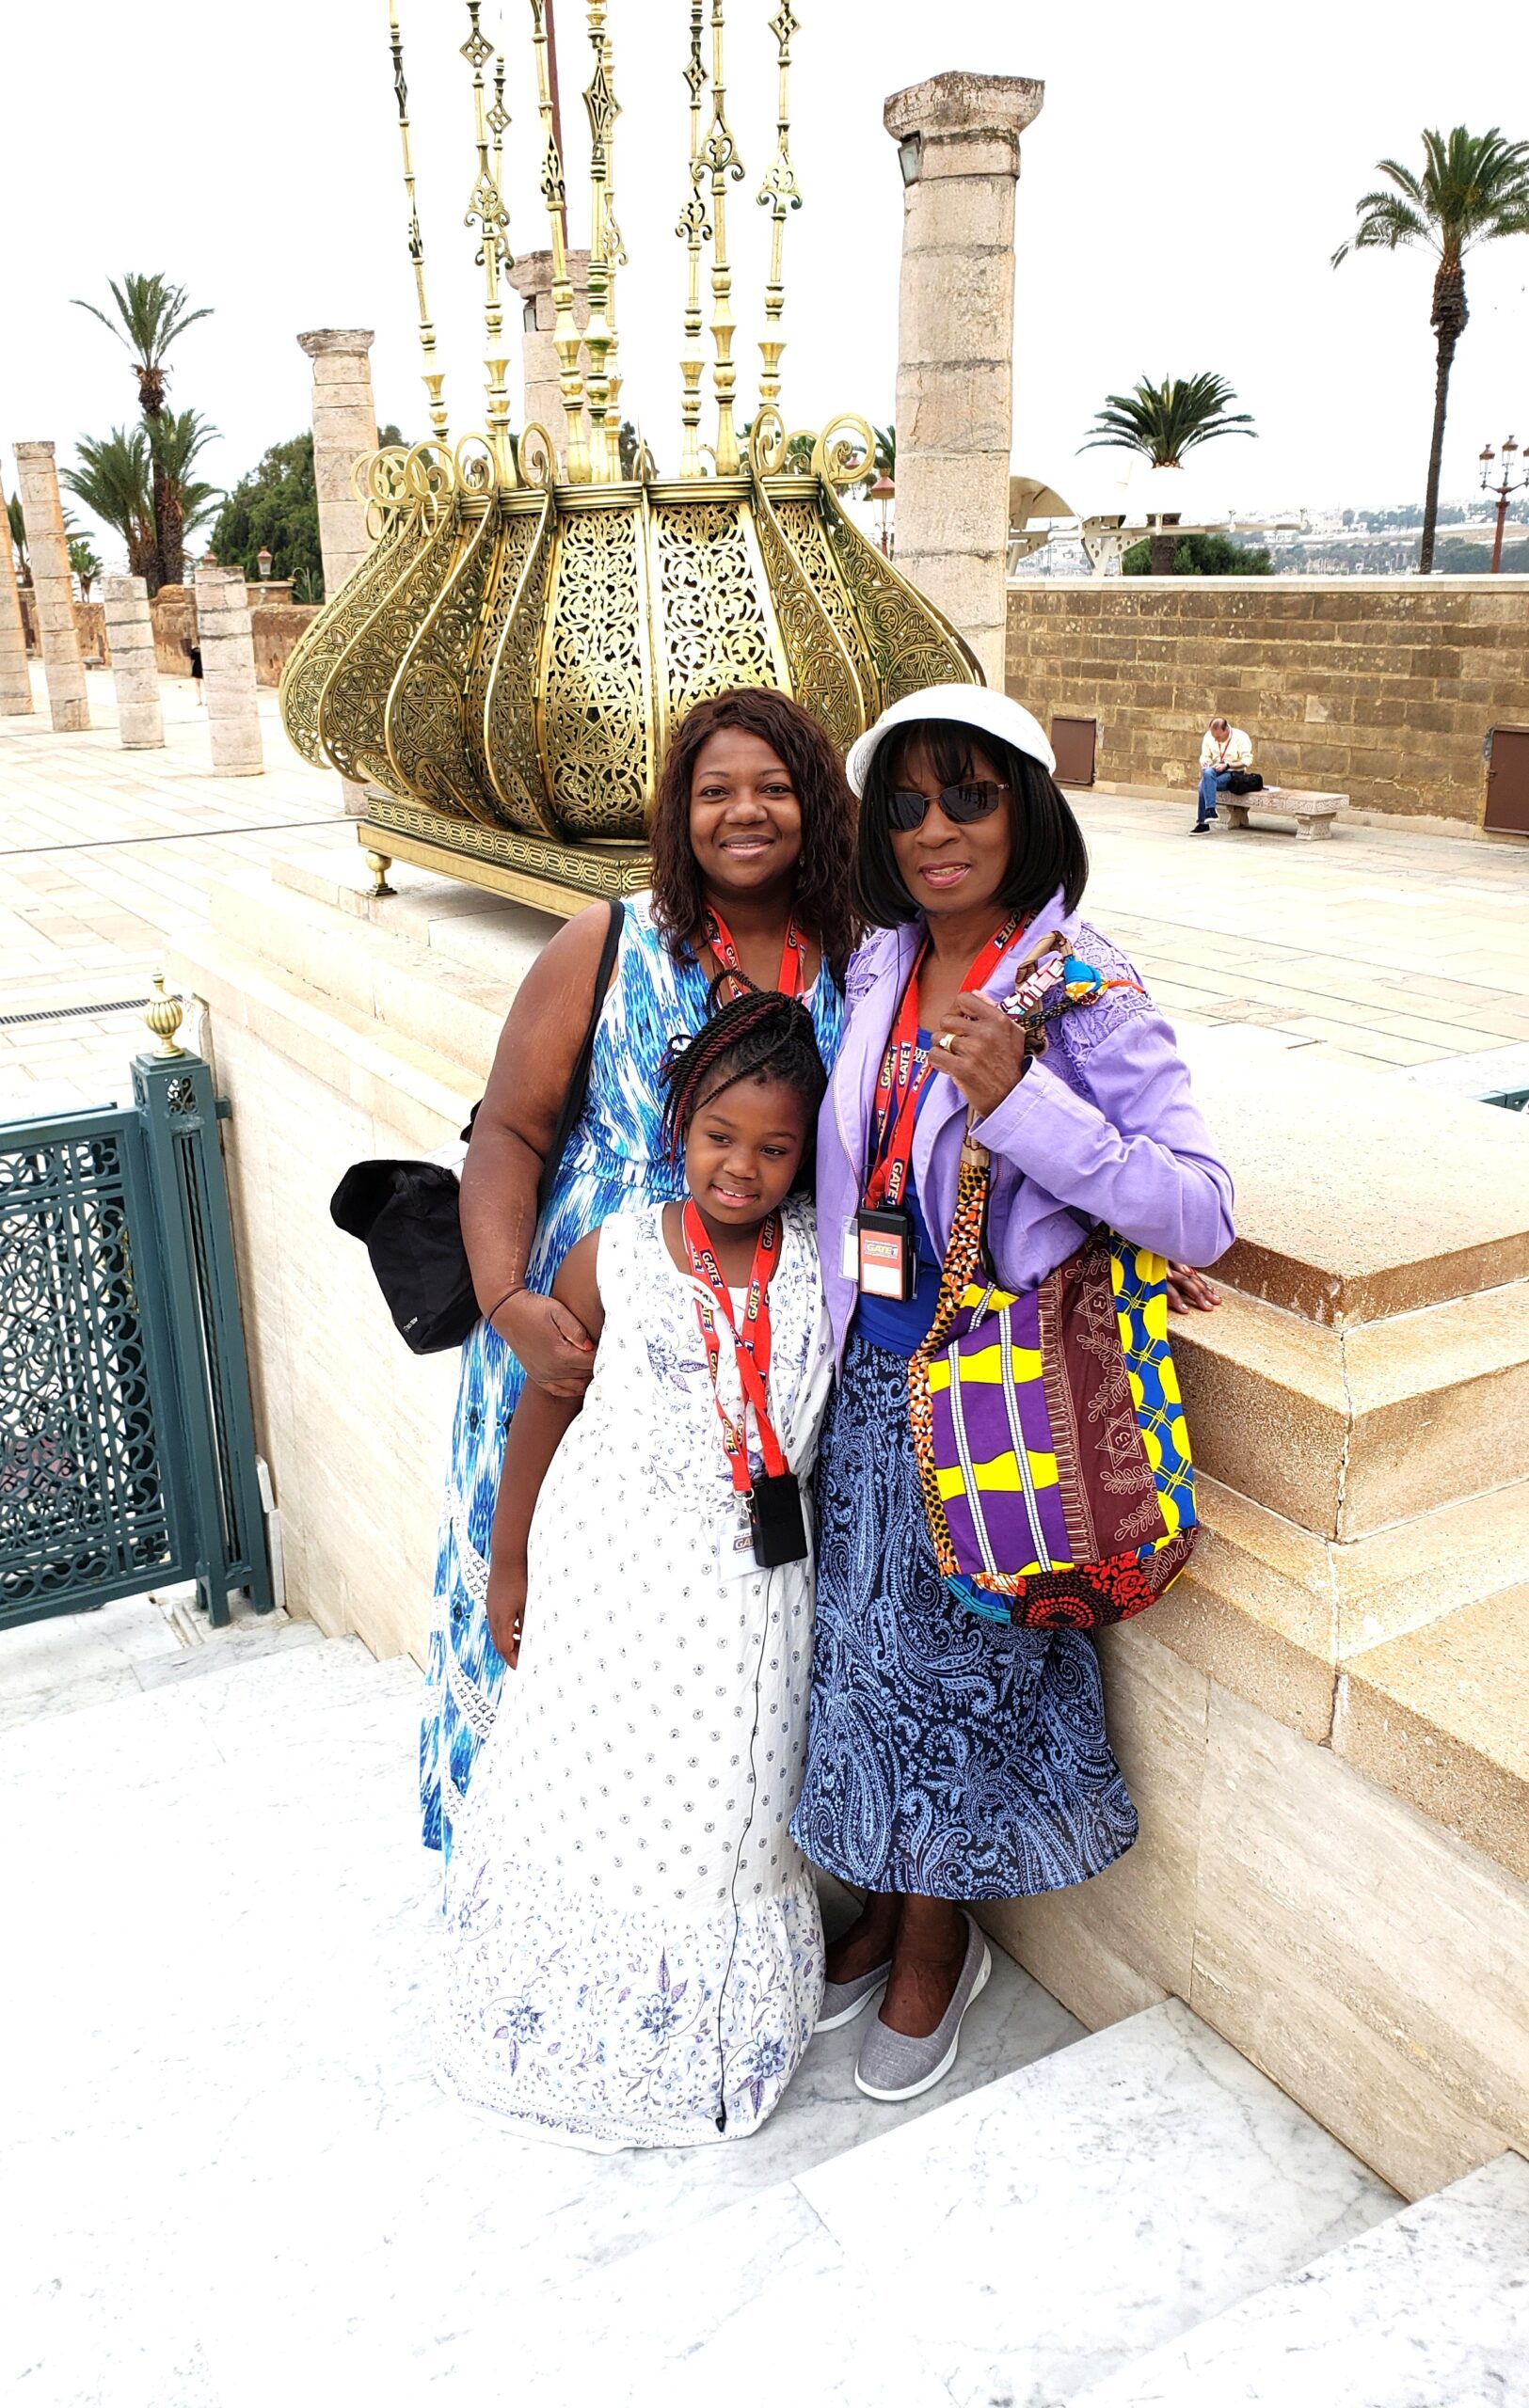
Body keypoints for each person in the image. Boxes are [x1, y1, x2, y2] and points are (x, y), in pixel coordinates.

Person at [792, 684, 1234, 2103]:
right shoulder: (878, 966)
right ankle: (879, 1904)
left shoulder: (1081, 988)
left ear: (1027, 808)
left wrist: (1026, 1108)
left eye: (968, 797)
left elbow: (1199, 1206)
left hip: (1002, 1405)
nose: (935, 831)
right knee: (866, 1670)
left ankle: (939, 1939)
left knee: (964, 1686)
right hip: (872, 1384)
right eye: (907, 804)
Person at [421, 689, 856, 1869]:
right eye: (713, 790)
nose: (743, 812)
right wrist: (512, 1302)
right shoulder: (606, 940)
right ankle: (511, 1869)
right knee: (534, 1591)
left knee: (698, 1631)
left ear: (813, 805)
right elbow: (507, 1130)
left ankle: (673, 1869)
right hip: (578, 1319)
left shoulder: (855, 958)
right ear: (678, 812)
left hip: (746, 1341)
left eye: (771, 786)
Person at [438, 991, 836, 2147]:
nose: (741, 1168)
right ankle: (553, 2032)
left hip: (747, 1599)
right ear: (679, 1126)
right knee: (590, 1794)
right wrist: (509, 1563)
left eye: (772, 1148)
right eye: (719, 1138)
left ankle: (700, 2047)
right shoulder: (613, 1253)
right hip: (609, 1574)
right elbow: (543, 1409)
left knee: (722, 1814)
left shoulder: (822, 1264)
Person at [1195, 714, 1252, 831]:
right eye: (1214, 736)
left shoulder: (1241, 737)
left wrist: (1227, 765)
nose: (1216, 739)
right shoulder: (1209, 736)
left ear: (1226, 730)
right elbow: (1205, 756)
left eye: (1219, 737)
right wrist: (1206, 763)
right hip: (1214, 770)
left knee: (1202, 786)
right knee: (1207, 773)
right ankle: (1210, 812)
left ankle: (1203, 822)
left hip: (1233, 772)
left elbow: (1247, 760)